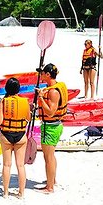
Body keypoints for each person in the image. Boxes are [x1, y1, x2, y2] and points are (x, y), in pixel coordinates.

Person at [36, 63, 67, 194]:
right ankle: (51, 180)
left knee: (48, 158)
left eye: (42, 73)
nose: (41, 75)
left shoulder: (53, 92)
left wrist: (41, 98)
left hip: (51, 126)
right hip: (54, 125)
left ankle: (49, 188)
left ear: (48, 75)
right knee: (50, 156)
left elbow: (50, 112)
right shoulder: (56, 86)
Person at [0, 78, 29, 198]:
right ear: (18, 89)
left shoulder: (3, 101)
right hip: (20, 136)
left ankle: (5, 193)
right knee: (20, 165)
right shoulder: (25, 101)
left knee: (6, 165)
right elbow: (28, 118)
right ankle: (21, 193)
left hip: (6, 135)